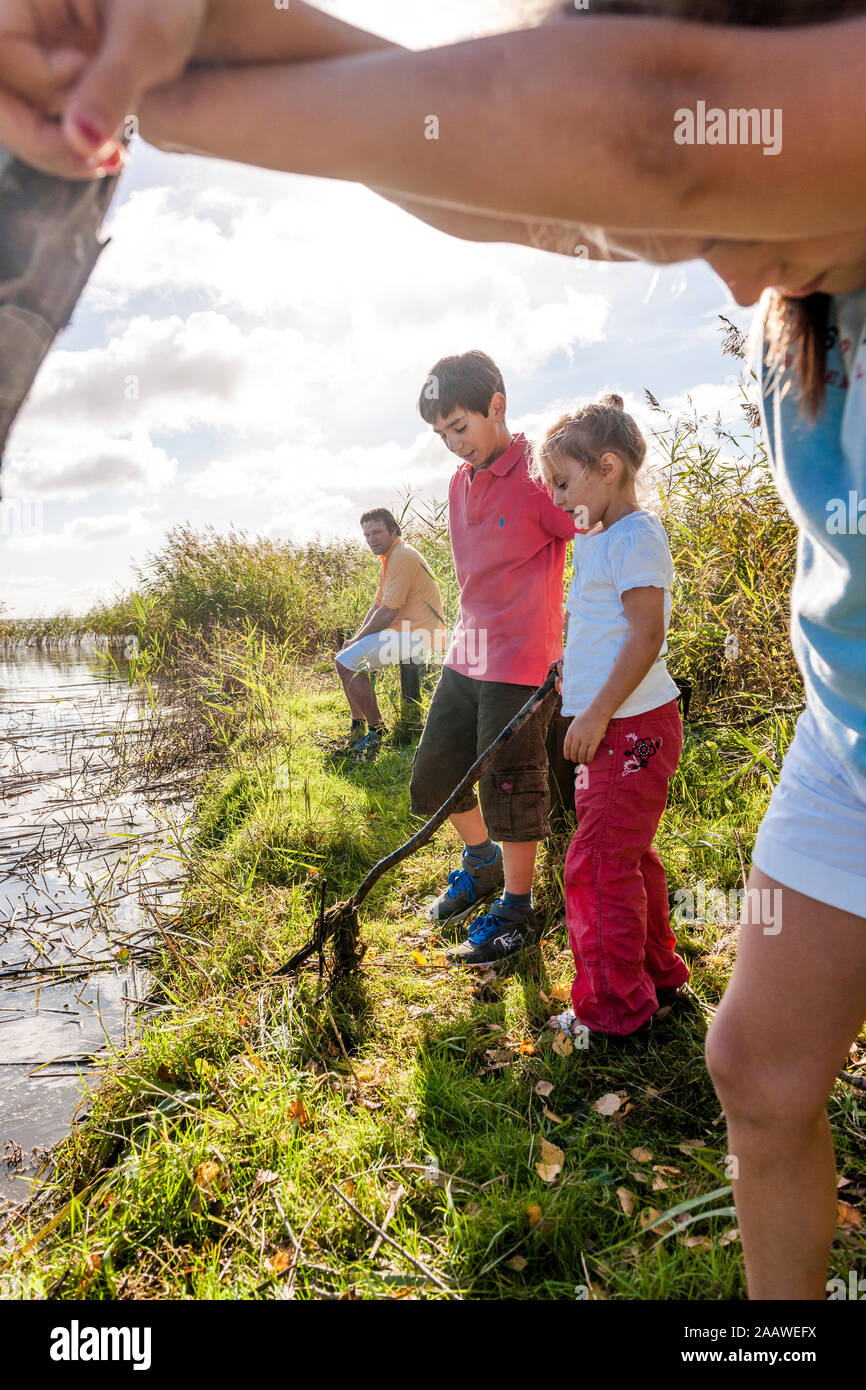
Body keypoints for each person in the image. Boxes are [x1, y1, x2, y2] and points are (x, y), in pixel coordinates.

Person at [3, 0, 866, 1304]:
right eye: (694, 251)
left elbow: (650, 138)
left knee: (581, 850)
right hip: (841, 740)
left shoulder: (739, 158)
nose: (732, 282)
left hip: (588, 697)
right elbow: (492, 178)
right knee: (752, 1070)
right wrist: (194, 28)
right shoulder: (794, 299)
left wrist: (131, 104)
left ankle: (539, 916)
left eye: (725, 227)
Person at [532, 393, 689, 1037]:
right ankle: (653, 974)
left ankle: (613, 1010)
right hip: (612, 723)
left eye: (564, 483)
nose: (559, 499)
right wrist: (572, 669)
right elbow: (605, 627)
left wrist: (594, 714)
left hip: (630, 729)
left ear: (609, 467)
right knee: (627, 855)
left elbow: (646, 635)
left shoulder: (635, 535)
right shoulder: (599, 537)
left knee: (595, 864)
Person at [410, 350, 574, 965]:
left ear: (496, 407)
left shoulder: (540, 477)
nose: (453, 445)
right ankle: (480, 866)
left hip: (523, 663)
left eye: (460, 427)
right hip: (466, 655)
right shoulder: (459, 482)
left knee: (512, 789)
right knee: (436, 776)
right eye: (440, 434)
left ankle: (515, 909)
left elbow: (598, 531)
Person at [336, 508, 444, 757]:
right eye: (367, 534)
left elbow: (388, 612)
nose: (371, 539)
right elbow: (377, 606)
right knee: (344, 659)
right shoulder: (389, 559)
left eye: (377, 532)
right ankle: (357, 724)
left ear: (393, 530)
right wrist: (355, 639)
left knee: (346, 663)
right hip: (403, 631)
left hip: (417, 633)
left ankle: (377, 732)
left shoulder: (403, 556)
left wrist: (358, 639)